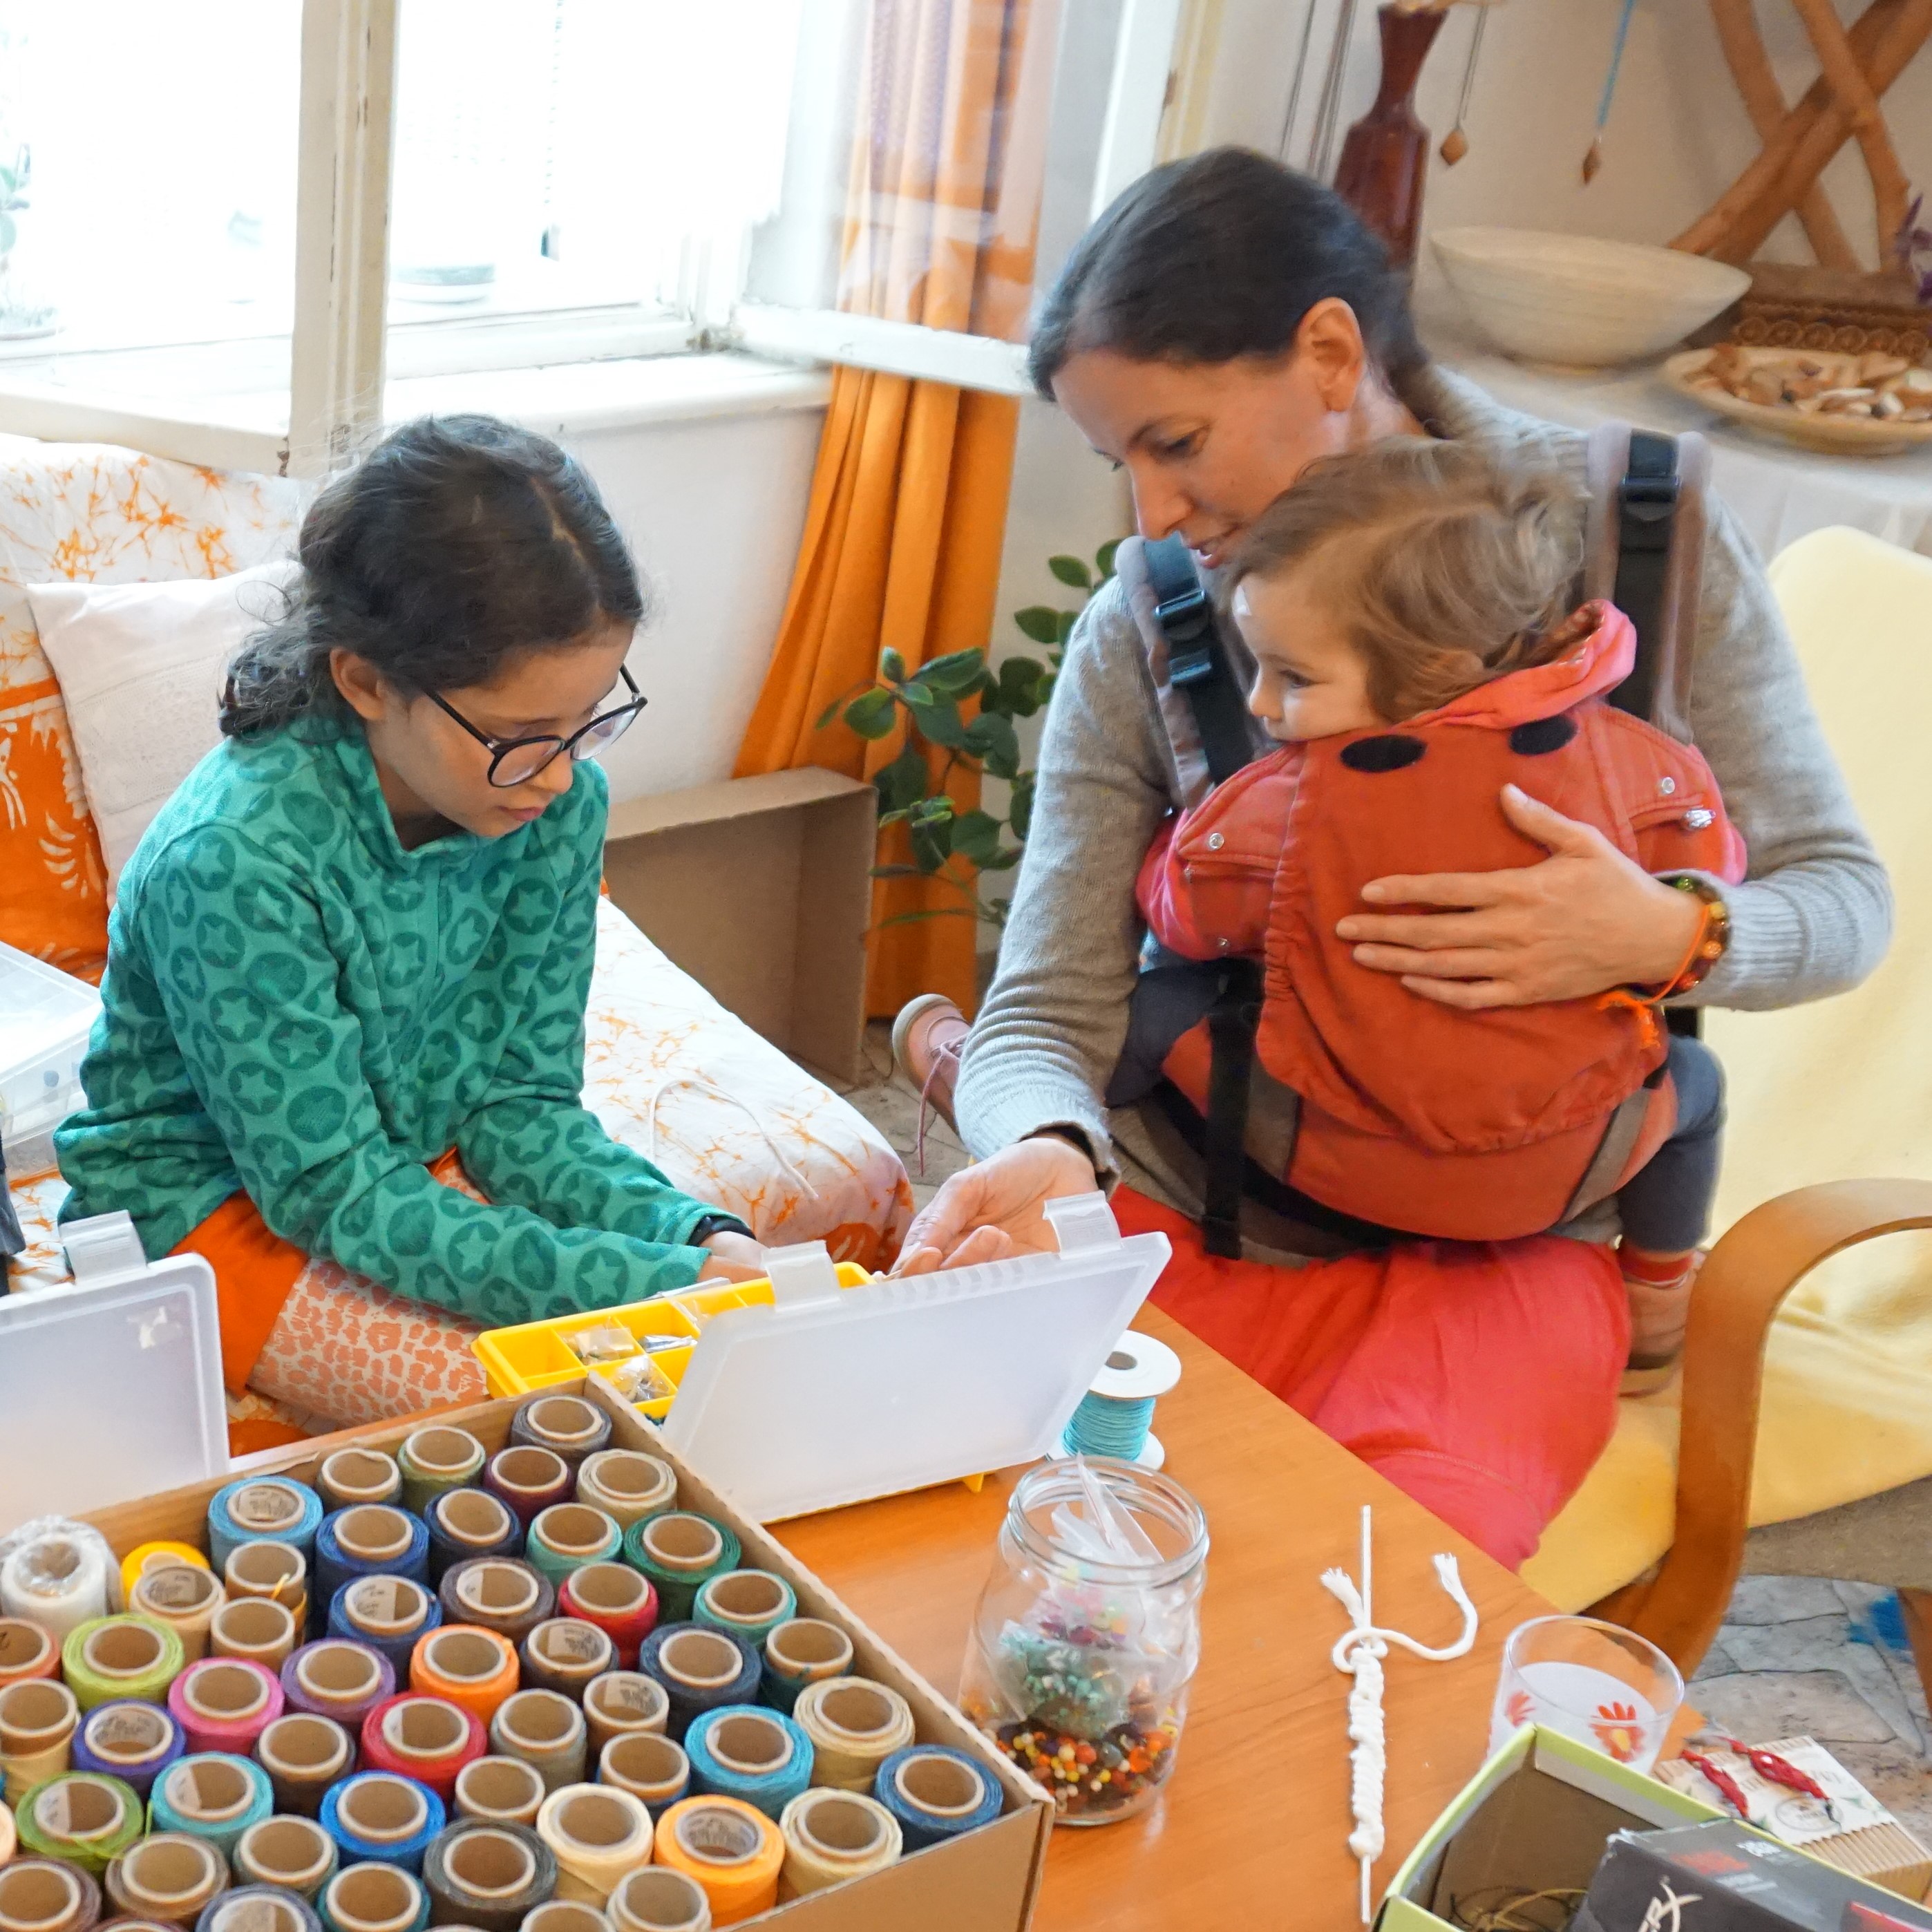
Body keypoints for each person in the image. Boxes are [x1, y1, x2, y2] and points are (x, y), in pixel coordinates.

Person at [891, 149, 1889, 1570]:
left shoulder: (1638, 542)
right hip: (1201, 1213)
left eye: (1176, 443)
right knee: (1002, 1544)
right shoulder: (1152, 620)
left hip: (1503, 1267)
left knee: (1372, 1598)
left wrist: (1671, 935)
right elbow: (1048, 1010)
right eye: (1124, 466)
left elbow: (1846, 901)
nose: (1152, 515)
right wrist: (1048, 1144)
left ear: (1328, 351)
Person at [57, 415, 766, 1407]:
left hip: (394, 1162)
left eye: (589, 720)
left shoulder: (555, 806)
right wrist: (654, 1284)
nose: (560, 776)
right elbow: (335, 1191)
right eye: (522, 734)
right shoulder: (235, 862)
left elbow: (520, 1104)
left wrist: (692, 1237)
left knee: (693, 1344)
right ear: (364, 680)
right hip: (204, 1204)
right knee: (549, 1407)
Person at [1122, 437, 1742, 1337]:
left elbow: (1186, 917)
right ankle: (1656, 1292)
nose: (1259, 704)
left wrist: (1167, 843)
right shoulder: (1638, 762)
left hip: (1327, 1156)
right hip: (1565, 1173)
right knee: (1699, 1084)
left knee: (1156, 1001)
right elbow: (1717, 862)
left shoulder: (1276, 806)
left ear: (1438, 670)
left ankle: (1087, 1180)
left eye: (1293, 677)